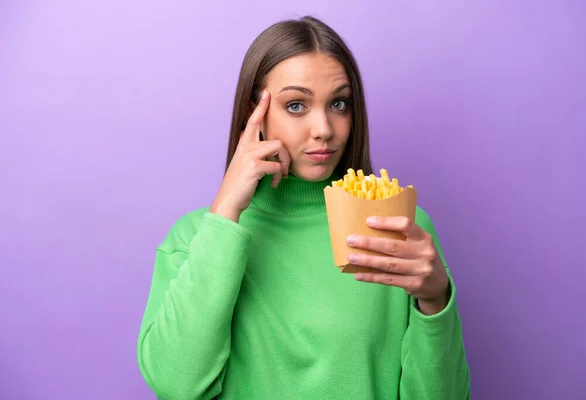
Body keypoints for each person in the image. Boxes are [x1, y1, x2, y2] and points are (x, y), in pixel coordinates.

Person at [136, 15, 470, 400]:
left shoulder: (396, 228)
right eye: (296, 106)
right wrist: (225, 213)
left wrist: (436, 300)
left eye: (339, 103)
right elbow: (176, 386)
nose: (324, 128)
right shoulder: (195, 237)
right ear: (253, 114)